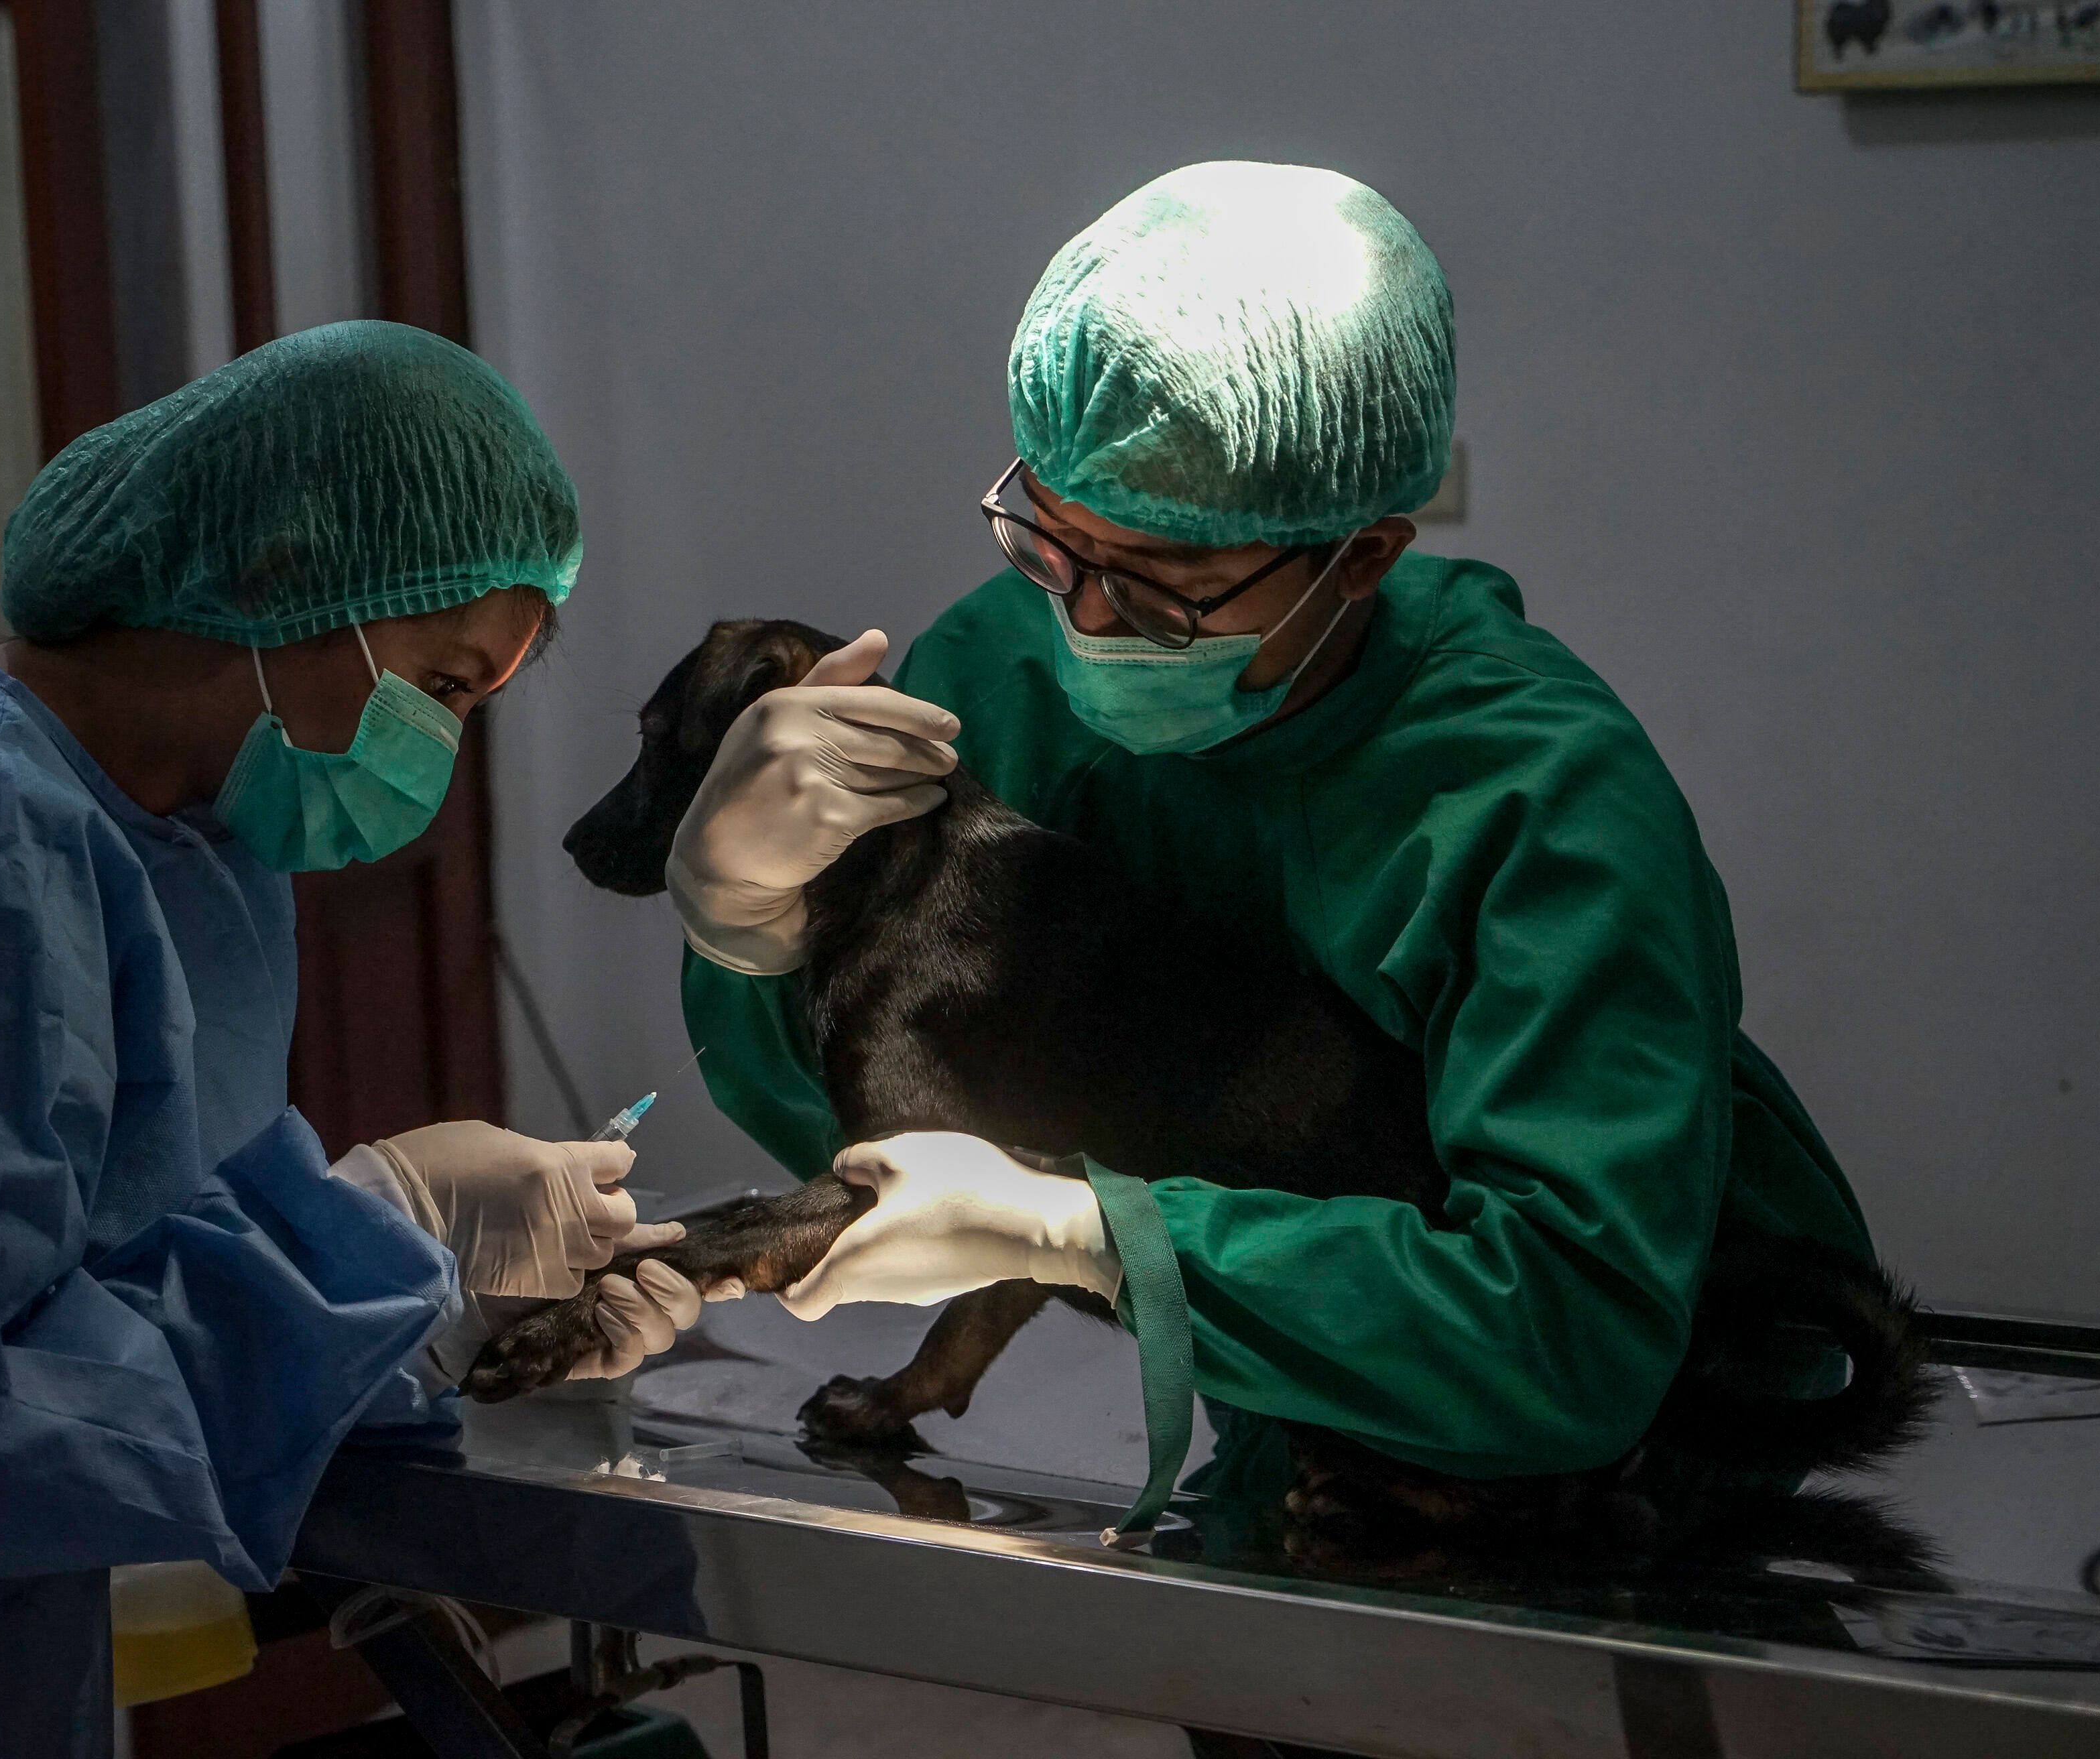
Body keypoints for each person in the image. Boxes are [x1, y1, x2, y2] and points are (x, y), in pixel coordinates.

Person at [0, 322, 723, 1758]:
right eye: (445, 680)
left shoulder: (177, 847)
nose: (443, 745)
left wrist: (433, 1321)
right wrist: (386, 1224)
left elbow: (99, 1287)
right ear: (284, 576)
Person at [672, 166, 1878, 1527]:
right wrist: (754, 917)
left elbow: (1566, 1331)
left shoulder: (1541, 801)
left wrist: (1090, 1234)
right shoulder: (1003, 672)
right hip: (1291, 1371)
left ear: (1361, 556)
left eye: (1168, 590)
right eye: (1053, 544)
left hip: (1652, 1426)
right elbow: (884, 1102)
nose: (1090, 622)